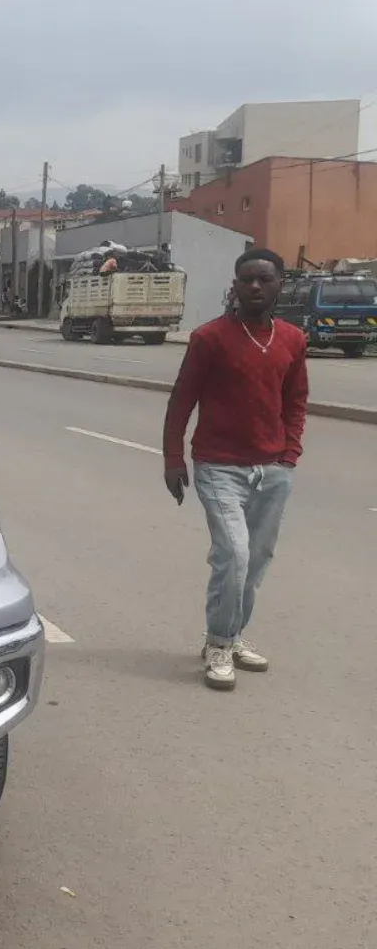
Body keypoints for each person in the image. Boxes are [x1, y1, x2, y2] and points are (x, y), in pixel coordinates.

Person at [162, 248, 308, 691]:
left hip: (273, 468)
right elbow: (182, 398)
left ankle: (230, 634)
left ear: (280, 283)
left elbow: (295, 400)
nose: (255, 286)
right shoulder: (210, 338)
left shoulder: (292, 339)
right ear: (235, 285)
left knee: (255, 560)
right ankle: (220, 644)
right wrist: (173, 457)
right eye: (247, 279)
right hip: (218, 466)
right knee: (235, 554)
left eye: (265, 278)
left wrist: (289, 454)